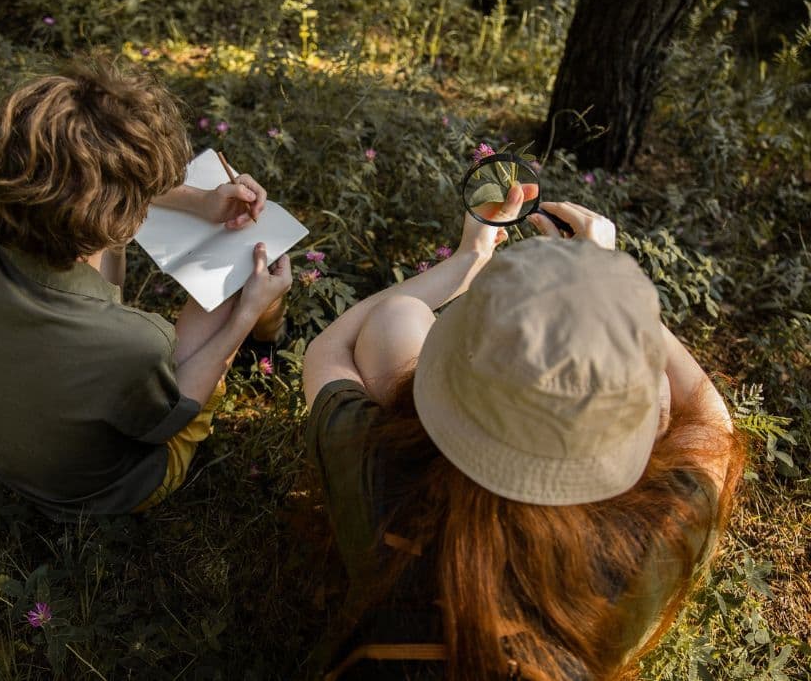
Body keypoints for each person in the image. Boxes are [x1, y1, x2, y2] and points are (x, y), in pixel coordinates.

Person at [302, 187, 744, 681]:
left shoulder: (379, 471)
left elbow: (328, 352)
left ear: (448, 391)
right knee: (662, 386)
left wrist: (470, 259)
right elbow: (710, 421)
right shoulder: (644, 540)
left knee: (397, 321)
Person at [0, 58, 291, 520]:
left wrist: (199, 202)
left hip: (12, 455)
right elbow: (172, 416)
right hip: (101, 492)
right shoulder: (134, 343)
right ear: (111, 215)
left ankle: (263, 332)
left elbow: (84, 180)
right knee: (243, 276)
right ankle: (267, 340)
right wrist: (245, 316)